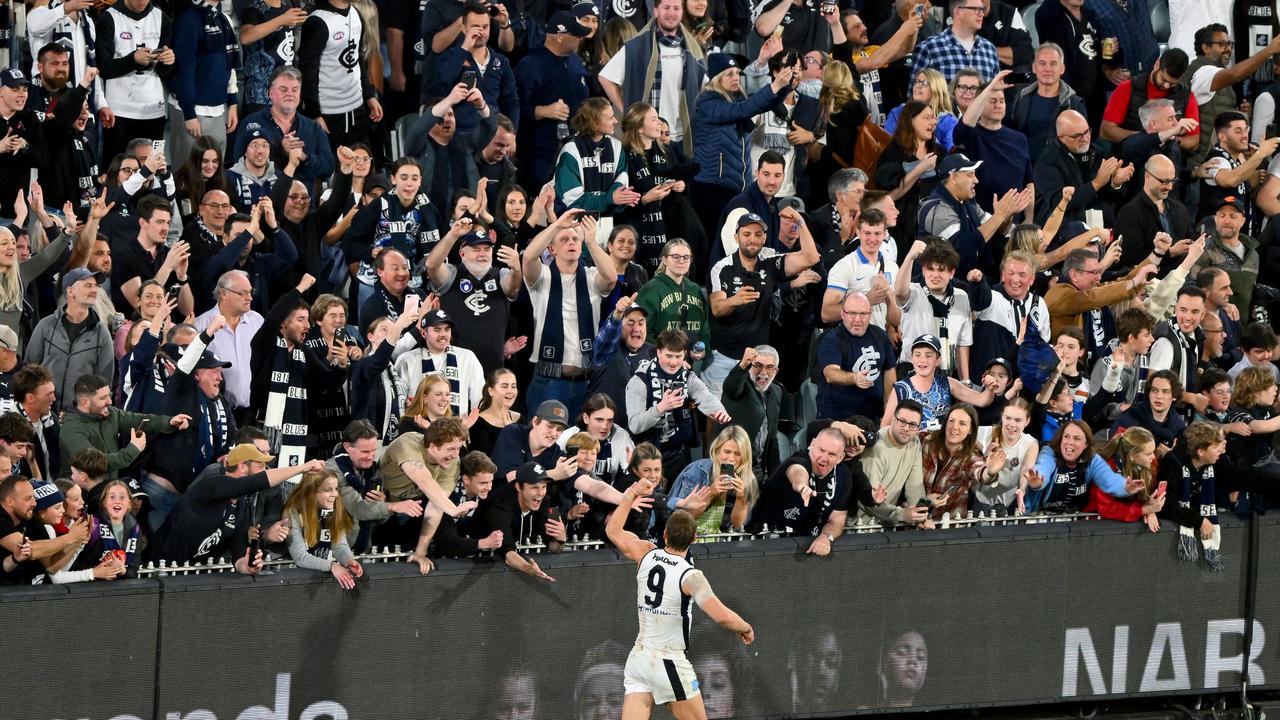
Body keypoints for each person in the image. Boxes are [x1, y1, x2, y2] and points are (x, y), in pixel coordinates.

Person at [606, 476, 754, 720]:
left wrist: (632, 493)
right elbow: (721, 616)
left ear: (664, 535)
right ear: (694, 539)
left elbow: (613, 530)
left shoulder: (645, 553)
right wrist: (745, 627)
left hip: (639, 659)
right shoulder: (691, 577)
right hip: (668, 660)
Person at [706, 209, 819, 398]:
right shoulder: (722, 267)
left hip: (757, 360)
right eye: (747, 234)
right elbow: (717, 309)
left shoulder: (770, 262)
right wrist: (735, 300)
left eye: (758, 235)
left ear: (764, 238)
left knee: (753, 415)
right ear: (736, 237)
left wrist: (800, 221)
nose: (753, 239)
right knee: (717, 415)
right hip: (724, 356)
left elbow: (811, 258)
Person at [157, 443, 324, 566]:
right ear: (243, 467)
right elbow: (259, 481)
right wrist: (302, 468)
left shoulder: (241, 502)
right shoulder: (212, 484)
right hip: (159, 567)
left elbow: (238, 547)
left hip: (193, 572)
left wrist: (246, 565)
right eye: (260, 466)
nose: (265, 470)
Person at [521, 210, 617, 416]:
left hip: (586, 379)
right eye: (564, 239)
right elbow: (529, 256)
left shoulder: (591, 277)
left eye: (575, 239)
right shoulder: (542, 276)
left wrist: (591, 242)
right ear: (552, 249)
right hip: (550, 379)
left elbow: (611, 277)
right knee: (544, 438)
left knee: (580, 443)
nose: (571, 242)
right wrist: (557, 225)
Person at [690, 54, 792, 235]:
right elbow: (745, 109)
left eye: (737, 73)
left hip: (733, 186)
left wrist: (785, 86)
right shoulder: (707, 101)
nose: (736, 77)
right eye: (729, 74)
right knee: (713, 240)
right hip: (711, 188)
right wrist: (775, 85)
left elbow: (763, 105)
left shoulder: (734, 100)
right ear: (716, 78)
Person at [598, 0, 706, 155]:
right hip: (647, 139)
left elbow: (705, 87)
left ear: (682, 13)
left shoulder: (693, 49)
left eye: (676, 8)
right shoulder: (636, 46)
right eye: (666, 7)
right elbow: (605, 78)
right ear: (655, 11)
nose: (671, 13)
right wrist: (630, 113)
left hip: (683, 138)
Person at [627, 329, 731, 474]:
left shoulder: (688, 377)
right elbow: (635, 425)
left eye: (678, 356)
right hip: (645, 454)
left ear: (685, 354)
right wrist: (660, 408)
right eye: (669, 356)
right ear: (658, 352)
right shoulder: (640, 381)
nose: (673, 362)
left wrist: (718, 411)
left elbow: (705, 396)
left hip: (678, 453)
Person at [426, 225, 524, 374]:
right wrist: (452, 235)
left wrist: (517, 268)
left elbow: (513, 287)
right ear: (462, 253)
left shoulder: (501, 275)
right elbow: (432, 266)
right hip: (455, 367)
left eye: (486, 249)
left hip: (493, 368)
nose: (482, 254)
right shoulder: (452, 275)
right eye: (476, 250)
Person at [514, 14, 592, 189]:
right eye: (577, 35)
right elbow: (512, 108)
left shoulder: (575, 62)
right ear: (559, 36)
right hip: (538, 151)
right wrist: (541, 111)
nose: (581, 39)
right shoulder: (529, 66)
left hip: (575, 146)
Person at [1184, 25, 1280, 167]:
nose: (1228, 49)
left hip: (1220, 162)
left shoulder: (1218, 74)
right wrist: (1269, 50)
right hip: (1201, 164)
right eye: (1222, 44)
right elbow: (1236, 75)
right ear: (1205, 48)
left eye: (1229, 44)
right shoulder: (1202, 71)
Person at [748, 426, 852, 554]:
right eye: (821, 450)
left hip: (808, 545)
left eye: (831, 454)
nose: (824, 458)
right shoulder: (800, 459)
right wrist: (801, 486)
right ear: (812, 444)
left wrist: (825, 537)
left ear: (841, 457)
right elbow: (797, 470)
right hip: (767, 545)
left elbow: (837, 519)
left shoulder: (844, 474)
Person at [1045, 248, 1157, 363]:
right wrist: (1133, 282)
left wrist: (1157, 253)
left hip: (1099, 365)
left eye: (1099, 272)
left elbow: (1122, 285)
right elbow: (1088, 298)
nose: (1099, 277)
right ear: (1074, 275)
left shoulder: (1095, 291)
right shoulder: (1058, 294)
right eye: (1093, 272)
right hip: (1070, 367)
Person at [297, 0, 383, 151]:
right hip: (329, 112)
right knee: (332, 166)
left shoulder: (356, 14)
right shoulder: (317, 21)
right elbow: (307, 72)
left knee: (360, 162)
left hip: (357, 107)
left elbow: (358, 59)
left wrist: (369, 95)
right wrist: (314, 113)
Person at [249, 274, 315, 467]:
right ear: (283, 323)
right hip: (261, 429)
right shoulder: (265, 344)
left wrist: (341, 363)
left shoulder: (303, 352)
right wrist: (300, 288)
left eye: (308, 320)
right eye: (301, 319)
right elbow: (272, 318)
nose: (307, 326)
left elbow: (326, 378)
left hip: (293, 431)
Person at [233, 67, 337, 189]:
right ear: (270, 93)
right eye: (283, 90)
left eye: (295, 90)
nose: (290, 94)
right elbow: (239, 162)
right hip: (264, 200)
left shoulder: (313, 128)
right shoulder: (251, 123)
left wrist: (304, 157)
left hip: (303, 203)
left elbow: (329, 167)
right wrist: (279, 152)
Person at [25, 269, 116, 407]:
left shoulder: (102, 334)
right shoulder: (46, 325)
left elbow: (104, 383)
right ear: (70, 291)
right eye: (88, 285)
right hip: (44, 410)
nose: (95, 290)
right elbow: (29, 369)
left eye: (96, 286)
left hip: (79, 416)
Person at [167, 0, 239, 163]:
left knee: (215, 172)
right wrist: (189, 114)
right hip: (192, 111)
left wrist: (232, 102)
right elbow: (183, 70)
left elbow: (229, 65)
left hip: (219, 109)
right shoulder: (188, 21)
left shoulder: (223, 19)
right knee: (188, 171)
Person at [473, 461, 562, 581]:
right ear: (519, 487)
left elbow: (553, 546)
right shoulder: (500, 505)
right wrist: (528, 568)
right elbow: (507, 552)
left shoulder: (543, 500)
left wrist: (561, 539)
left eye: (544, 487)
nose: (540, 493)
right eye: (535, 487)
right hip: (477, 561)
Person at [816, 291, 896, 422]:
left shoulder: (880, 336)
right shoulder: (832, 339)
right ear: (842, 314)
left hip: (873, 417)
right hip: (838, 419)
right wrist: (854, 378)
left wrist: (888, 407)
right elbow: (830, 373)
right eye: (852, 313)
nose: (857, 320)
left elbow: (889, 370)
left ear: (870, 314)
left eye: (863, 314)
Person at [1099, 47, 1198, 154]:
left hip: (1169, 161)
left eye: (1172, 83)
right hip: (1131, 159)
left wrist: (1171, 139)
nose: (1166, 86)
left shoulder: (1185, 94)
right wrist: (1148, 139)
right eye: (1164, 79)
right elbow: (1106, 131)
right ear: (1157, 64)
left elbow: (1194, 140)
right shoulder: (1128, 88)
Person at [883, 333, 994, 427]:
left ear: (938, 360)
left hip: (941, 447)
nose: (922, 360)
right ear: (912, 359)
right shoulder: (901, 388)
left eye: (928, 356)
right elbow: (885, 426)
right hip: (911, 448)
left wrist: (989, 388)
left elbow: (982, 400)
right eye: (918, 355)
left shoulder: (948, 383)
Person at [1023, 418, 1132, 513]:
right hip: (1038, 519)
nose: (1069, 442)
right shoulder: (1049, 452)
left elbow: (1109, 480)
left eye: (1076, 438)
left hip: (1073, 522)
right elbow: (1043, 468)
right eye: (1066, 436)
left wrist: (1125, 487)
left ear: (1086, 444)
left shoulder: (1092, 459)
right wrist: (1038, 482)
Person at [393, 309, 486, 419]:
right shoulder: (407, 360)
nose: (443, 334)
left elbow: (480, 400)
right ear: (424, 333)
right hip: (418, 428)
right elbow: (399, 402)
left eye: (447, 329)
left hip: (458, 428)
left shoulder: (467, 357)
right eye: (437, 330)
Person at [1157, 420, 1224, 569]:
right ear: (1201, 451)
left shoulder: (1212, 466)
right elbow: (1167, 505)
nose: (1221, 451)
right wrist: (1199, 521)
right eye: (1215, 447)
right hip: (1165, 549)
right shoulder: (1173, 464)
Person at [1196, 113, 1278, 236]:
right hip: (1215, 241)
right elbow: (1230, 179)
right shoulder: (1217, 160)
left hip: (1238, 238)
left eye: (1246, 130)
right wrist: (1260, 154)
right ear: (1222, 137)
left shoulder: (1241, 159)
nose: (1245, 135)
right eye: (1238, 131)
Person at [282, 469, 364, 589]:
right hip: (291, 580)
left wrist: (348, 560)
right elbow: (300, 557)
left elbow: (339, 545)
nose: (334, 494)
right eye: (327, 490)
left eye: (336, 489)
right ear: (311, 492)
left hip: (320, 575)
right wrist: (332, 566)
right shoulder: (293, 512)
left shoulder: (335, 507)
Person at [1111, 154, 1193, 271]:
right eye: (1164, 181)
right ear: (1148, 177)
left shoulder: (1179, 209)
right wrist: (1170, 252)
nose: (1169, 187)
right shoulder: (1130, 213)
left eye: (1172, 180)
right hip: (1147, 281)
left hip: (1181, 275)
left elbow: (1189, 237)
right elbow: (1130, 259)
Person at [874, 100, 942, 242]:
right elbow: (891, 196)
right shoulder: (893, 153)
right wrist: (920, 168)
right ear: (911, 121)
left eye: (934, 118)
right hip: (902, 228)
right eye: (927, 118)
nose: (933, 122)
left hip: (934, 226)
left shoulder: (940, 153)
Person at [1006, 44, 1087, 161]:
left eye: (1053, 63)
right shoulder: (1021, 100)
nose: (1047, 69)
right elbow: (1013, 137)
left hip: (1058, 174)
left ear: (1062, 68)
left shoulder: (1074, 103)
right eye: (1042, 63)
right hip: (1025, 170)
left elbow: (1082, 145)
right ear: (1034, 68)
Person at [858, 398, 928, 526]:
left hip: (887, 523)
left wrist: (920, 515)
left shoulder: (914, 442)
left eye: (913, 425)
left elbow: (915, 486)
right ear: (892, 420)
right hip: (860, 525)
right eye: (902, 422)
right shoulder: (876, 447)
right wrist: (902, 514)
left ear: (918, 428)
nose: (907, 428)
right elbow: (869, 500)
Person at [720, 346, 784, 477]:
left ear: (776, 371)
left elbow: (772, 437)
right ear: (749, 366)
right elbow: (731, 387)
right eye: (758, 365)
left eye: (769, 367)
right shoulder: (739, 387)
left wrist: (776, 477)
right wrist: (743, 365)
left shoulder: (776, 392)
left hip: (758, 470)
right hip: (733, 467)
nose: (763, 372)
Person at [1092, 426, 1164, 531]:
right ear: (1132, 456)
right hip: (1096, 523)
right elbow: (1106, 508)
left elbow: (1144, 497)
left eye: (1153, 451)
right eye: (1148, 454)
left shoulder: (1150, 462)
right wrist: (1142, 510)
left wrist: (1150, 509)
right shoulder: (1105, 470)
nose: (1153, 457)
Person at [973, 397, 1037, 515]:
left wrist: (1022, 490)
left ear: (1027, 421)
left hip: (1009, 504)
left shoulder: (1030, 443)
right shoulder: (983, 433)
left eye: (1018, 420)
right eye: (1008, 418)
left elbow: (1026, 470)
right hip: (979, 501)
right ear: (1002, 416)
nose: (1011, 424)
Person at [910, 0, 999, 84]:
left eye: (982, 9)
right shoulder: (929, 48)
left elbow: (996, 95)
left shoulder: (990, 50)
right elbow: (915, 96)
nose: (981, 14)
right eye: (975, 9)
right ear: (958, 12)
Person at [469, 368, 521, 456]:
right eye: (504, 386)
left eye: (513, 386)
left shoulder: (520, 419)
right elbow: (485, 463)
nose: (510, 391)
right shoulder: (478, 423)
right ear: (490, 391)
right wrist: (508, 431)